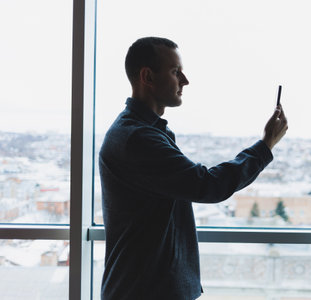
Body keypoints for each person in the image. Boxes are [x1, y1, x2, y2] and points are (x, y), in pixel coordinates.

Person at [99, 36, 288, 300]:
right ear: (147, 76)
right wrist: (266, 145)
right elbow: (208, 185)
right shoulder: (138, 138)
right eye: (175, 72)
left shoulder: (141, 132)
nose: (184, 81)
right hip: (144, 290)